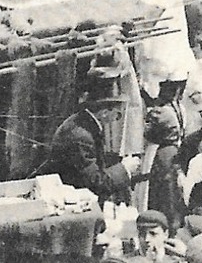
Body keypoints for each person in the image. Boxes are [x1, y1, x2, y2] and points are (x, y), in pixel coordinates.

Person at [35, 64, 146, 204]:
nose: (118, 118)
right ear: (105, 112)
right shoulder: (81, 137)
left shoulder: (83, 123)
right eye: (117, 114)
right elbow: (95, 183)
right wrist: (125, 169)